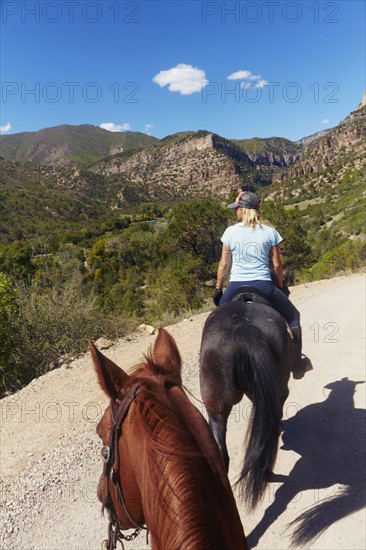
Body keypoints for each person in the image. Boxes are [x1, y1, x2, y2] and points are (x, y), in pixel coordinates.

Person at [213, 190, 312, 379]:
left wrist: (218, 287)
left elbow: (224, 264)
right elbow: (276, 265)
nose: (236, 212)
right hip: (263, 286)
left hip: (235, 286)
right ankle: (297, 364)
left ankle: (211, 365)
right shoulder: (270, 232)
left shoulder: (230, 232)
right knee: (293, 317)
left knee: (214, 321)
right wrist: (281, 286)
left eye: (237, 209)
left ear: (243, 210)